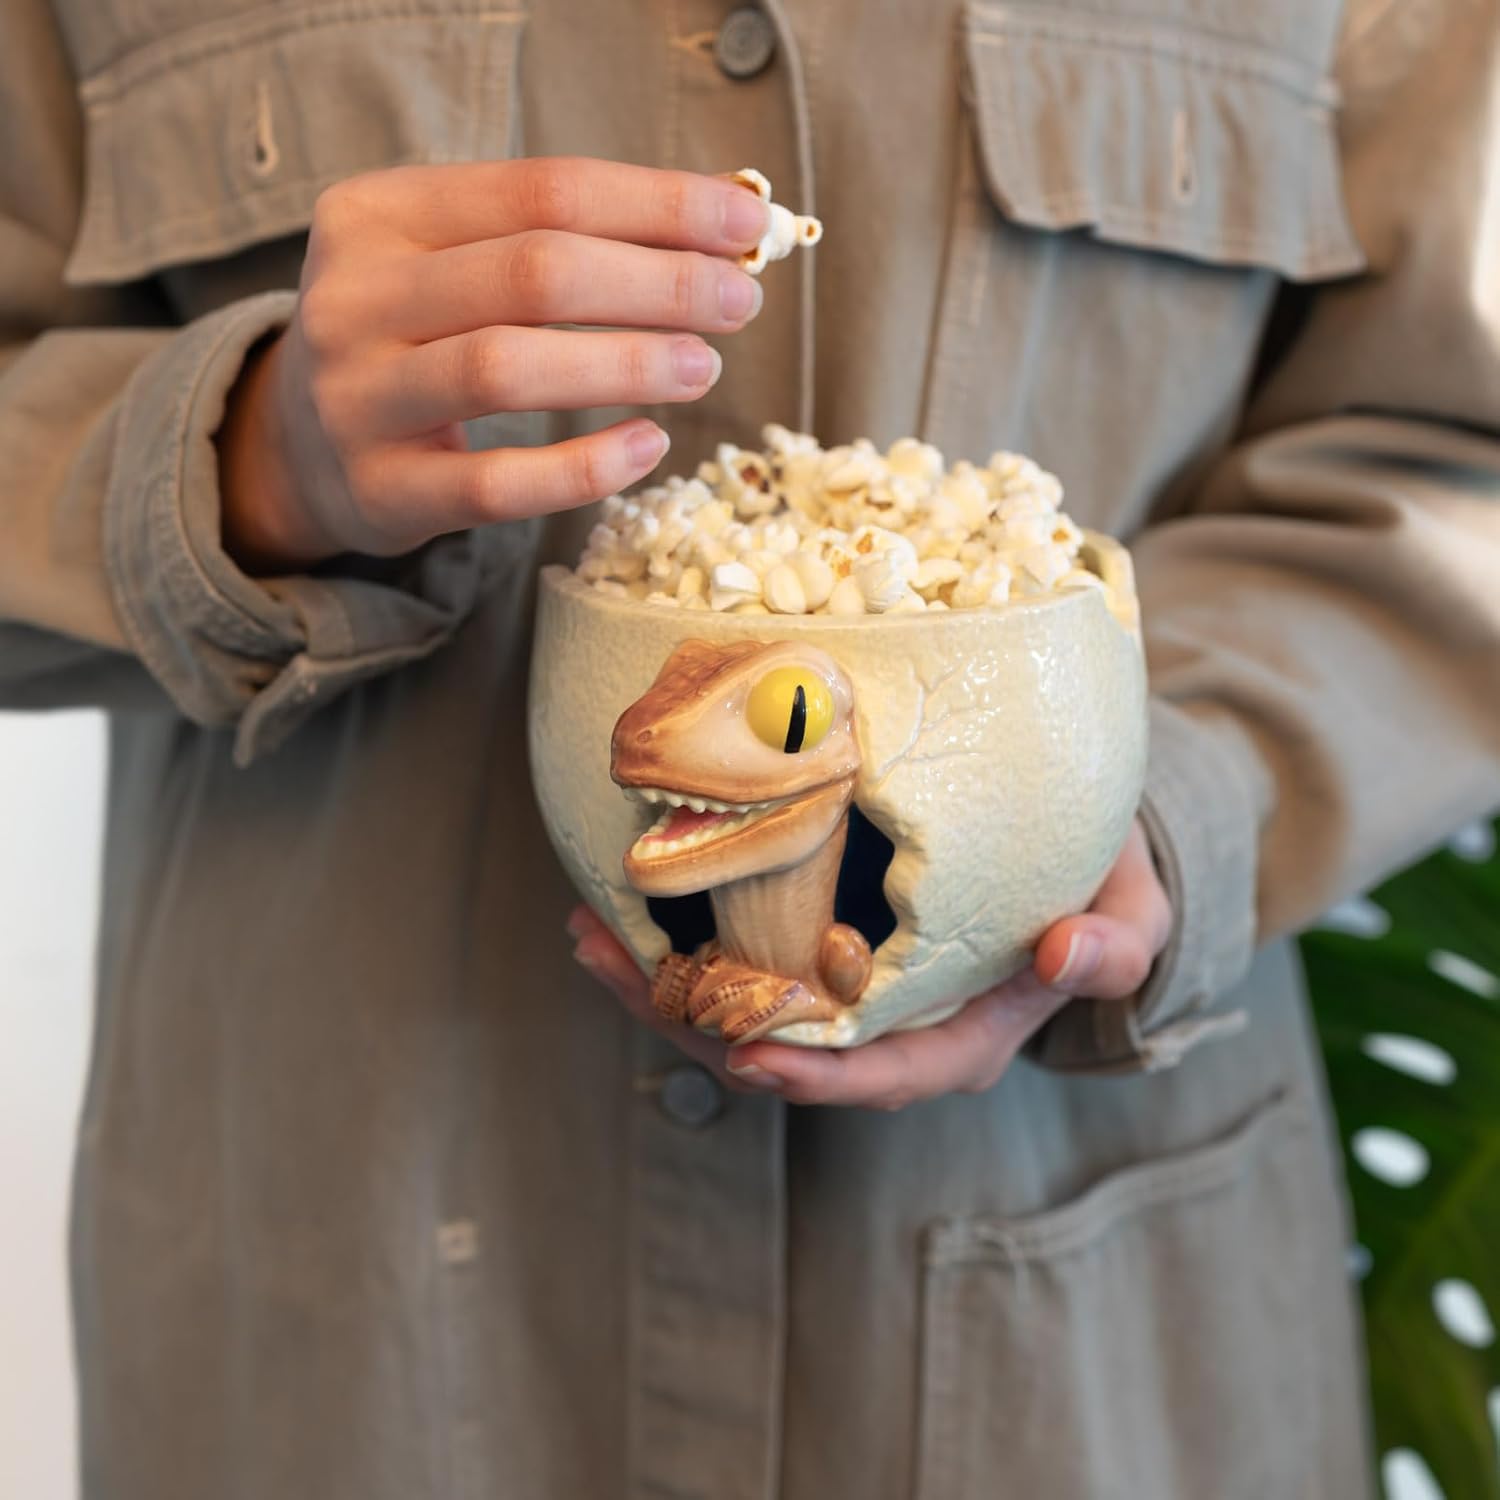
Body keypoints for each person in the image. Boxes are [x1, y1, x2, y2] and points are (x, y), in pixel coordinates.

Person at [3, 0, 1497, 1494]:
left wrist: (1144, 807)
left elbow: (1455, 453)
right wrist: (253, 460)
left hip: (1083, 1355)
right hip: (352, 1325)